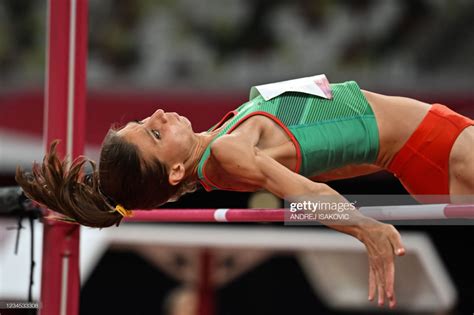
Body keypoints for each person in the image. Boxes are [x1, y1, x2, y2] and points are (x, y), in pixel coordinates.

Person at [16, 75, 474, 309]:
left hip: (425, 153)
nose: (156, 114)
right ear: (175, 171)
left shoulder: (217, 145)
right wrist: (365, 228)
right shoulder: (227, 152)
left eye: (142, 122)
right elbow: (305, 192)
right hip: (440, 146)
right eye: (154, 135)